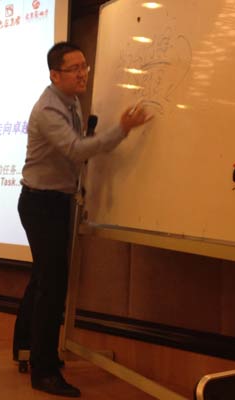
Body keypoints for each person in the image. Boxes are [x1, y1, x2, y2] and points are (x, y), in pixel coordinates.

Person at [13, 41, 152, 397]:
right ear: (54, 74)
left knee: (44, 278)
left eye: (84, 66)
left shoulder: (70, 100)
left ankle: (26, 346)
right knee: (52, 284)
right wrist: (122, 129)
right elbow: (75, 150)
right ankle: (43, 371)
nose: (82, 74)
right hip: (41, 203)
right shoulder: (48, 109)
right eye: (73, 68)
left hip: (54, 200)